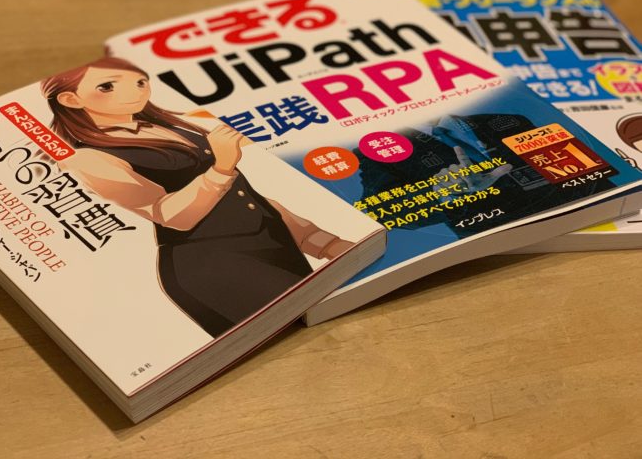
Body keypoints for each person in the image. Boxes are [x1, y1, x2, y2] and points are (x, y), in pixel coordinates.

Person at [41, 57, 352, 337]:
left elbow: (246, 196)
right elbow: (169, 215)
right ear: (70, 99)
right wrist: (221, 167)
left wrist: (321, 241)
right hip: (213, 265)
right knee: (293, 337)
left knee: (316, 320)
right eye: (107, 86)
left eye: (140, 82)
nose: (135, 93)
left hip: (275, 242)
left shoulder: (170, 126)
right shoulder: (89, 158)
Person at [357, 113, 615, 236]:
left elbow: (588, 175)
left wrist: (611, 206)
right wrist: (441, 192)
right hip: (500, 241)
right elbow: (381, 211)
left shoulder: (509, 120)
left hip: (585, 221)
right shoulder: (377, 150)